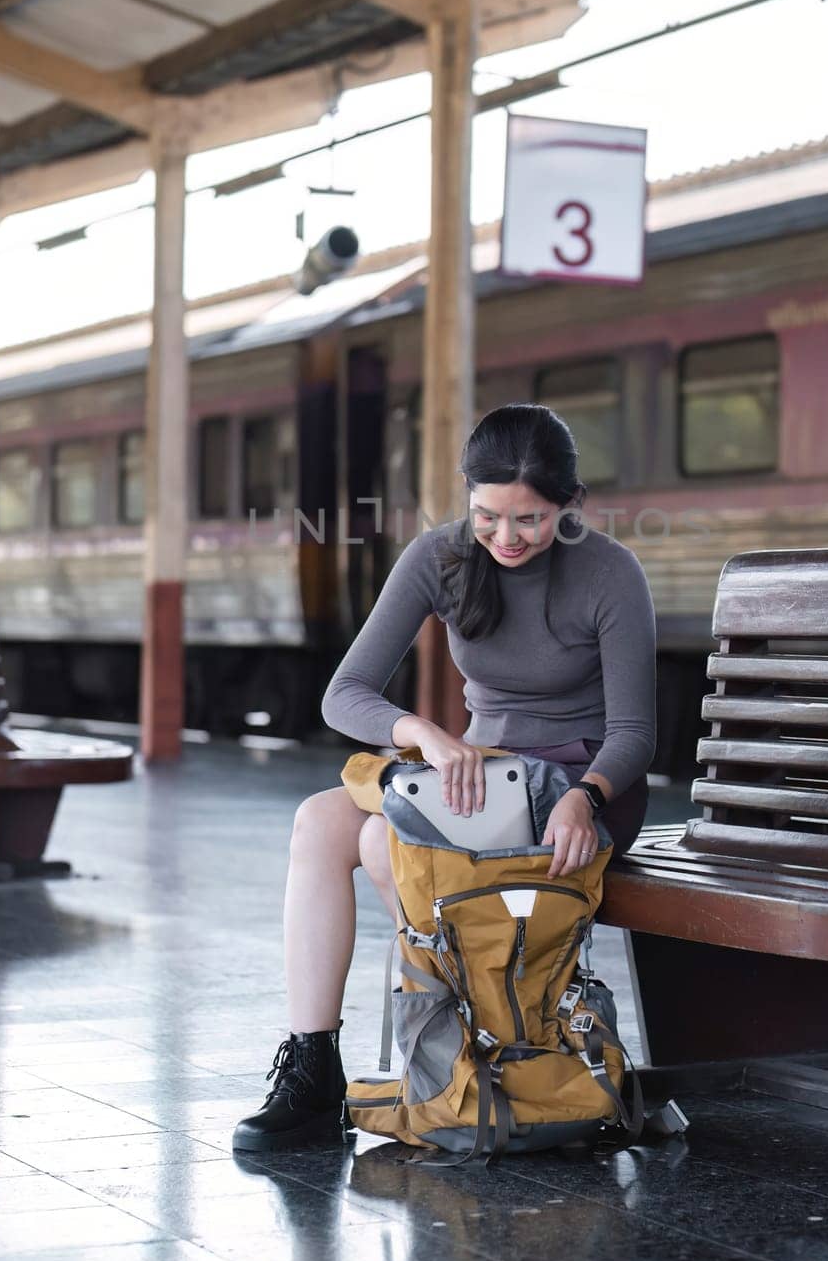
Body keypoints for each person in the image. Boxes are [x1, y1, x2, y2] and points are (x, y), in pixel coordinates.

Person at [232, 402, 658, 1153]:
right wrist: (422, 733)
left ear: (569, 507)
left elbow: (633, 734)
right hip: (480, 780)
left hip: (579, 794)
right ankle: (311, 1067)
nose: (504, 537)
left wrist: (586, 799)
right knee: (320, 821)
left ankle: (459, 1054)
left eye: (527, 520)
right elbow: (346, 691)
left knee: (376, 842)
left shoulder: (608, 572)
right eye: (487, 516)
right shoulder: (440, 557)